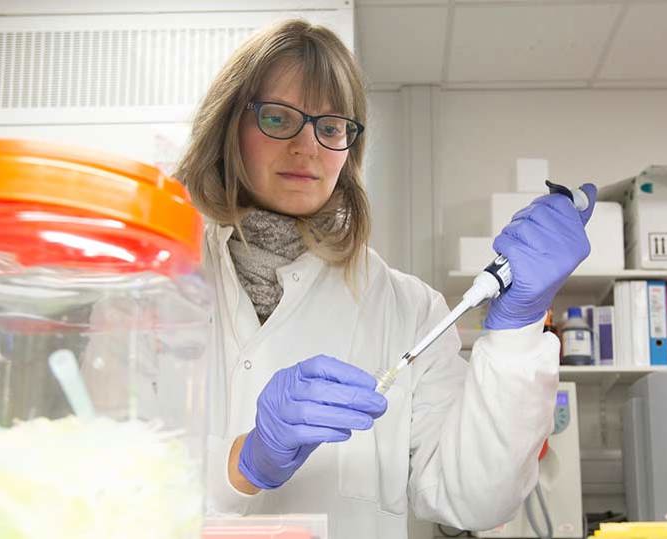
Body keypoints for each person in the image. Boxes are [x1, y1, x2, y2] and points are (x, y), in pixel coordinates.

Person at [175, 19, 596, 538]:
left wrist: (516, 332)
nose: (307, 147)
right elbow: (105, 485)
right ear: (229, 127)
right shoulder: (161, 288)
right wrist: (243, 463)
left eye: (330, 128)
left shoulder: (409, 308)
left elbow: (472, 501)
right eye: (278, 118)